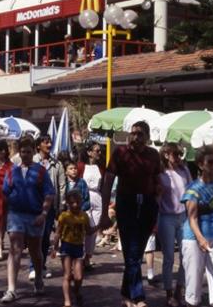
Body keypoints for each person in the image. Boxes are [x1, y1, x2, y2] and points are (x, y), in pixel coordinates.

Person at [99, 121, 161, 307]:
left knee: (136, 253)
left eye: (139, 134)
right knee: (131, 252)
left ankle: (126, 295)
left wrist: (157, 203)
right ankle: (138, 297)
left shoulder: (153, 155)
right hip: (127, 204)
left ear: (147, 137)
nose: (135, 137)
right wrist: (104, 213)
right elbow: (108, 182)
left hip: (148, 206)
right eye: (132, 133)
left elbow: (158, 179)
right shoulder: (120, 153)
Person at [0, 136, 55, 303]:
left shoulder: (40, 171)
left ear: (34, 151)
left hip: (35, 216)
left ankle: (38, 278)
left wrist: (44, 213)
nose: (25, 155)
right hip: (16, 215)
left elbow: (49, 194)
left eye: (29, 151)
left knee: (35, 251)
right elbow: (5, 192)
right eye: (23, 151)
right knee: (15, 250)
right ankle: (11, 289)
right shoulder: (12, 171)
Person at [180, 145, 213, 307]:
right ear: (200, 164)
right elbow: (192, 218)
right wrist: (201, 239)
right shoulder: (193, 189)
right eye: (210, 162)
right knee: (193, 284)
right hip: (194, 239)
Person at [157, 142, 192, 306]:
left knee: (186, 256)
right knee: (169, 257)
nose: (178, 157)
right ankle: (168, 293)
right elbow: (156, 197)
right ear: (166, 155)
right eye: (175, 154)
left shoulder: (184, 170)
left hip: (184, 216)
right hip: (166, 218)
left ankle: (179, 289)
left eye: (179, 154)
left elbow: (191, 191)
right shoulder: (160, 173)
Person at [51, 189, 95, 307]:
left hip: (79, 247)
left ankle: (76, 291)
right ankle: (67, 300)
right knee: (67, 275)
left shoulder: (84, 216)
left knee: (79, 276)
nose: (75, 205)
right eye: (72, 203)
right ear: (68, 204)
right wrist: (54, 248)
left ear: (81, 202)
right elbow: (58, 232)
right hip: (66, 246)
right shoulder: (64, 216)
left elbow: (89, 231)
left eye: (77, 202)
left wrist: (100, 225)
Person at [30, 134, 66, 280]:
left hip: (50, 206)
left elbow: (62, 186)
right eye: (46, 142)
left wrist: (61, 206)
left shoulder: (57, 164)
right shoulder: (32, 161)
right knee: (34, 237)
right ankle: (33, 267)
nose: (49, 144)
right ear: (39, 145)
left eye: (50, 142)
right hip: (33, 205)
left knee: (45, 238)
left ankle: (41, 266)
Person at [81, 142, 104, 270]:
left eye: (100, 151)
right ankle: (81, 255)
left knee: (94, 229)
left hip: (97, 197)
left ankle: (88, 258)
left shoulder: (101, 168)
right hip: (85, 196)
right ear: (89, 152)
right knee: (86, 227)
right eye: (97, 151)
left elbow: (105, 185)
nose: (99, 153)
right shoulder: (81, 166)